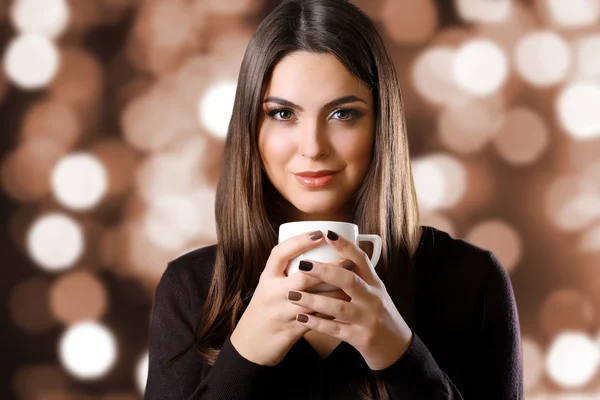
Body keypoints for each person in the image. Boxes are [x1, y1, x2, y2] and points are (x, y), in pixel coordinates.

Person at [145, 0, 524, 399]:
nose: (312, 147)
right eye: (282, 114)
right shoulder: (192, 288)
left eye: (343, 114)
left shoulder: (470, 280)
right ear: (250, 128)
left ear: (381, 125)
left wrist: (399, 353)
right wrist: (244, 356)